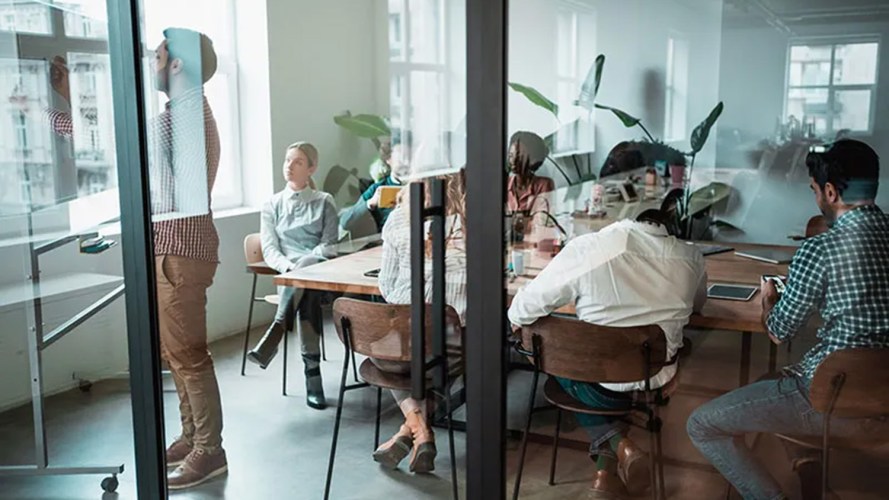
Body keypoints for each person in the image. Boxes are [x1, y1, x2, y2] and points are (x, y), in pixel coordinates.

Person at [687, 139, 889, 500]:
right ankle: (808, 465)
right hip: (883, 396)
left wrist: (770, 299)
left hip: (832, 399)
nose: (816, 199)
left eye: (814, 190)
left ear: (830, 192)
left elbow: (780, 332)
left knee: (702, 424)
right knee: (773, 380)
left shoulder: (820, 248)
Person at [508, 209, 708, 498]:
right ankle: (608, 470)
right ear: (669, 231)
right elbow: (699, 304)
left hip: (595, 383)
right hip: (656, 378)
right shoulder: (691, 257)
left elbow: (522, 309)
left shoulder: (589, 247)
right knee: (570, 354)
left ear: (627, 221)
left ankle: (619, 450)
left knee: (550, 351)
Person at [148, 28, 225, 490]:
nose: (151, 63)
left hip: (179, 251)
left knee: (188, 355)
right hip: (176, 248)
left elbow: (169, 192)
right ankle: (193, 435)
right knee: (176, 353)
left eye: (157, 56)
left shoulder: (179, 120)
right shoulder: (185, 114)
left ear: (176, 66)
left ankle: (209, 451)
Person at [371, 169, 467, 474]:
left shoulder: (399, 218)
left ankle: (411, 430)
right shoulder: (472, 218)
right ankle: (420, 430)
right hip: (456, 343)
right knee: (443, 356)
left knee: (392, 350)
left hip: (405, 345)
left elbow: (386, 287)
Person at [247, 142, 338, 411]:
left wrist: (305, 266)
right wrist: (291, 269)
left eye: (297, 162)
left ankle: (276, 332)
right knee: (304, 291)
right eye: (287, 160)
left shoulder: (324, 201)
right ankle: (313, 377)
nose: (289, 166)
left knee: (308, 272)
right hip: (291, 277)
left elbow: (329, 245)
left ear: (311, 168)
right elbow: (270, 248)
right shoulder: (272, 204)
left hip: (319, 272)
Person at [339, 132, 413, 234]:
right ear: (388, 159)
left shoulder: (421, 184)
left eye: (409, 156)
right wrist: (370, 203)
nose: (405, 161)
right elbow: (345, 222)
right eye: (401, 156)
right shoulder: (378, 189)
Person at [507, 131, 555, 214]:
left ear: (532, 158)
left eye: (520, 156)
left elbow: (543, 217)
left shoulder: (543, 185)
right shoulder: (504, 184)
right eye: (511, 155)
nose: (514, 160)